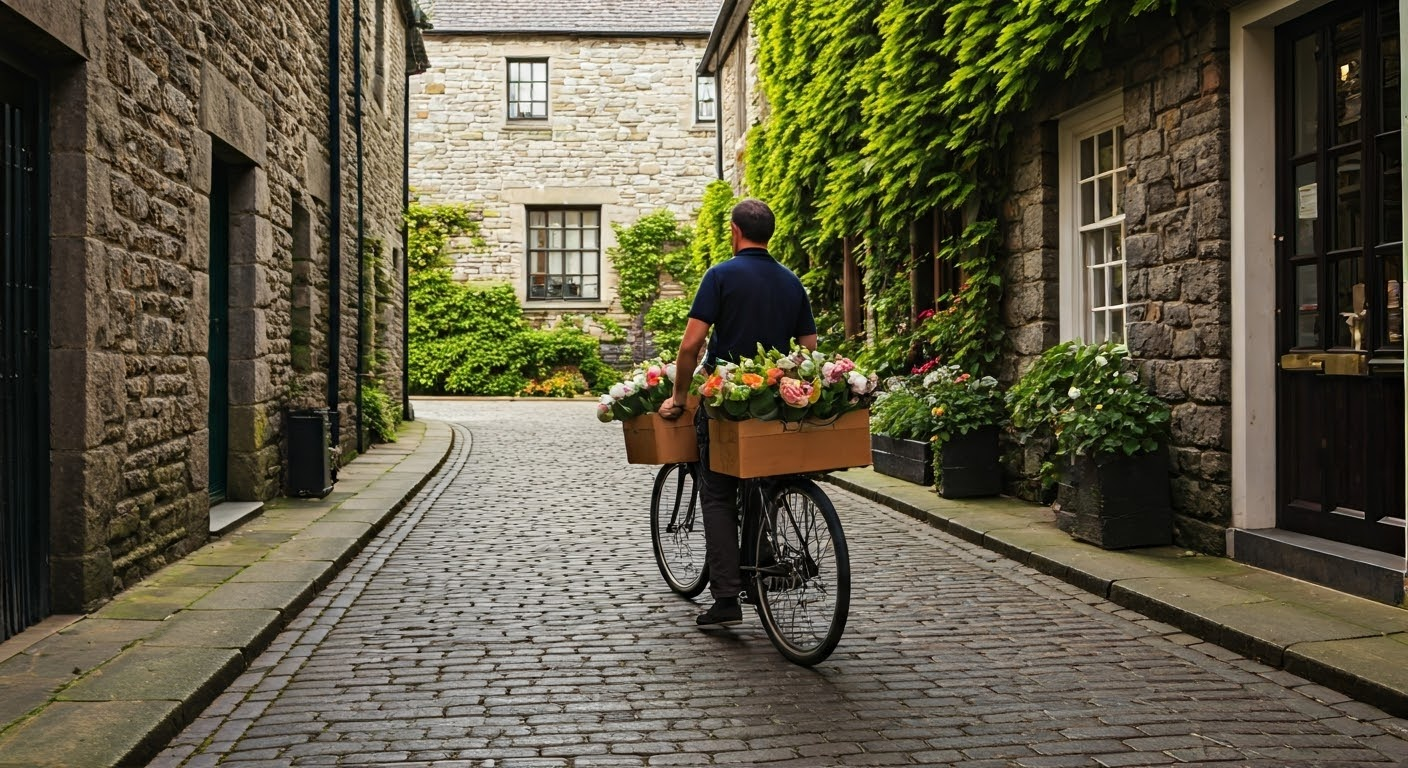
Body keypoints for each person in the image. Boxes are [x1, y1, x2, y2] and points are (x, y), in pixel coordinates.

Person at [657, 199, 817, 627]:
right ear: (771, 234)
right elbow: (809, 351)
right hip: (775, 402)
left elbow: (691, 345)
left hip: (727, 403)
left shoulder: (720, 275)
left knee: (718, 494)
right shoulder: (791, 282)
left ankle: (726, 598)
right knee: (764, 484)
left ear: (734, 231)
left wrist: (676, 397)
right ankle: (762, 563)